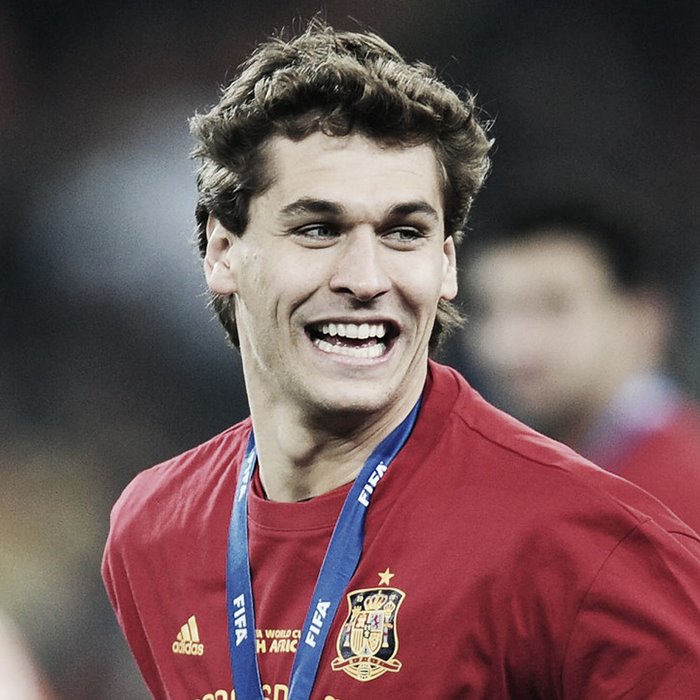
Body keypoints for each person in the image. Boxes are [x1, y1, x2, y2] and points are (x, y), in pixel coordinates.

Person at [102, 21, 700, 700]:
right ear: (222, 253)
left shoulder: (582, 542)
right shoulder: (154, 531)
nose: (366, 277)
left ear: (446, 265)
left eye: (404, 232)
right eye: (318, 229)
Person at [460, 202, 700, 534]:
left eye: (553, 305)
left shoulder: (682, 488)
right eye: (487, 311)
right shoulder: (517, 476)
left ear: (641, 319)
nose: (507, 344)